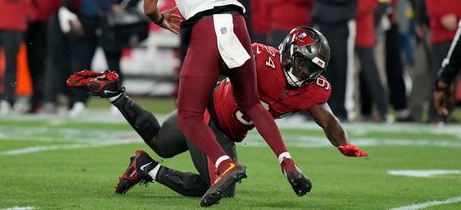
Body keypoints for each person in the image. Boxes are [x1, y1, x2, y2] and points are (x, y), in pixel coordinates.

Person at [142, 0, 309, 207]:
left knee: (189, 115)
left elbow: (149, 6)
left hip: (203, 29)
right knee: (251, 103)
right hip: (235, 23)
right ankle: (288, 162)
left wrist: (160, 18)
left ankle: (224, 163)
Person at [67, 27, 368, 198]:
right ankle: (148, 169)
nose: (304, 72)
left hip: (207, 116)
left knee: (160, 142)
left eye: (311, 69)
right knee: (223, 188)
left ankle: (115, 95)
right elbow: (223, 64)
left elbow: (328, 119)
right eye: (301, 63)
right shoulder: (259, 59)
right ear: (288, 54)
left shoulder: (311, 89)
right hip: (212, 121)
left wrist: (343, 144)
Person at [59, 0, 144, 117]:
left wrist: (125, 6)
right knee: (81, 63)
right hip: (86, 19)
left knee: (113, 63)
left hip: (111, 21)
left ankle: (118, 103)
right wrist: (66, 10)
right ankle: (79, 102)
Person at [304, 0, 361, 121]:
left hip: (340, 27)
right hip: (321, 28)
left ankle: (341, 109)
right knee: (318, 68)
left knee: (341, 68)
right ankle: (318, 109)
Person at [42, 0, 85, 113]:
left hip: (79, 14)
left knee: (77, 60)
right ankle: (51, 98)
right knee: (55, 59)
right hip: (59, 13)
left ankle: (74, 101)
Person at [347, 0, 388, 122]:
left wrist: (350, 13)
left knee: (371, 72)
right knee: (349, 73)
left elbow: (371, 1)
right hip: (348, 30)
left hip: (363, 30)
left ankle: (383, 109)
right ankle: (352, 109)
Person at [426, 0, 461, 123]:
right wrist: (443, 16)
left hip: (459, 33)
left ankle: (449, 112)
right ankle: (435, 112)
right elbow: (431, 1)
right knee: (439, 73)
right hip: (441, 33)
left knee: (454, 77)